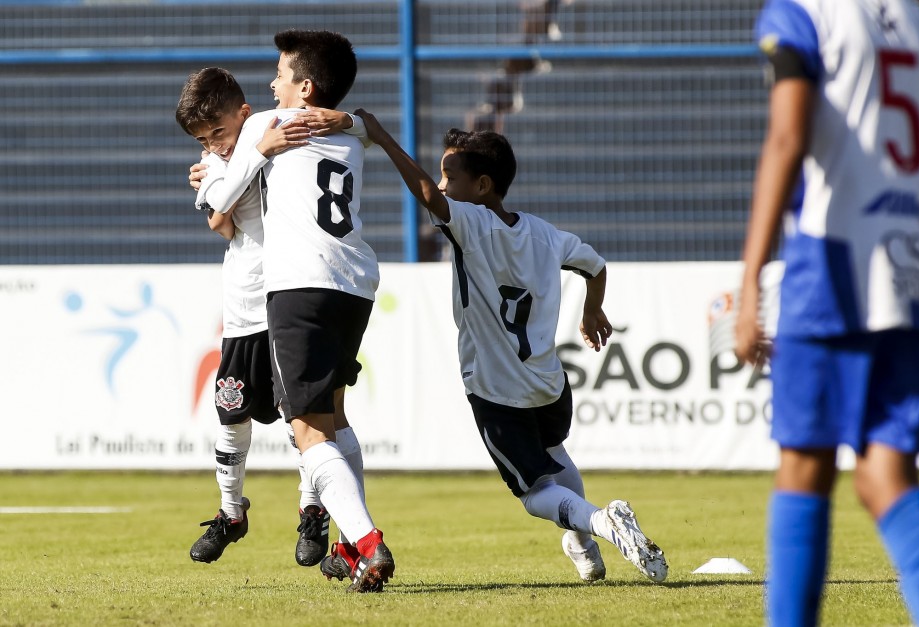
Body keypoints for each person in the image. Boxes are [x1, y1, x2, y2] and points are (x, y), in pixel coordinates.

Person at [356, 111, 668, 584]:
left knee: (532, 493)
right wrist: (592, 311)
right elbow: (595, 266)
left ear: (483, 186)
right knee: (557, 455)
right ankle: (584, 548)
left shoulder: (470, 224)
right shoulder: (545, 234)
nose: (441, 186)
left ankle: (602, 523)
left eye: (450, 177)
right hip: (550, 385)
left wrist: (380, 137)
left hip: (498, 390)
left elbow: (422, 194)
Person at [734, 1, 919, 624]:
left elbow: (787, 137)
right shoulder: (912, 16)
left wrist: (749, 281)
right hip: (916, 264)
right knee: (886, 476)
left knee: (803, 463)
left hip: (832, 264)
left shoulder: (802, 12)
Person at [194, 30, 392, 593]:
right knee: (332, 414)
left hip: (300, 284)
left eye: (280, 74)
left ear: (303, 87)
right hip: (356, 282)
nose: (271, 83)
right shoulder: (348, 136)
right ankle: (348, 545)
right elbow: (362, 128)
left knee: (304, 428)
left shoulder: (264, 127)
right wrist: (354, 120)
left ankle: (366, 545)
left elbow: (221, 198)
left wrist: (213, 175)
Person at [176, 67, 357, 567]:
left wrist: (263, 152)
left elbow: (226, 212)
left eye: (219, 131)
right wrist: (243, 160)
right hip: (241, 310)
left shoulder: (278, 138)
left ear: (244, 114)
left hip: (289, 299)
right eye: (203, 139)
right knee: (231, 417)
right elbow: (219, 213)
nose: (214, 144)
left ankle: (313, 510)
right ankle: (231, 512)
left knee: (305, 419)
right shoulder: (222, 159)